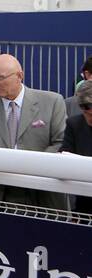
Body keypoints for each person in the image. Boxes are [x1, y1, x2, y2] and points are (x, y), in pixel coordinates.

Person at [0, 54, 67, 210]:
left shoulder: (52, 102)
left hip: (44, 194)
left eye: (0, 78)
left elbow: (61, 142)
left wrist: (30, 166)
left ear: (20, 76)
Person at [60, 81, 92, 215]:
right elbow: (64, 156)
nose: (90, 117)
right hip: (85, 203)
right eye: (87, 112)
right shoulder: (74, 124)